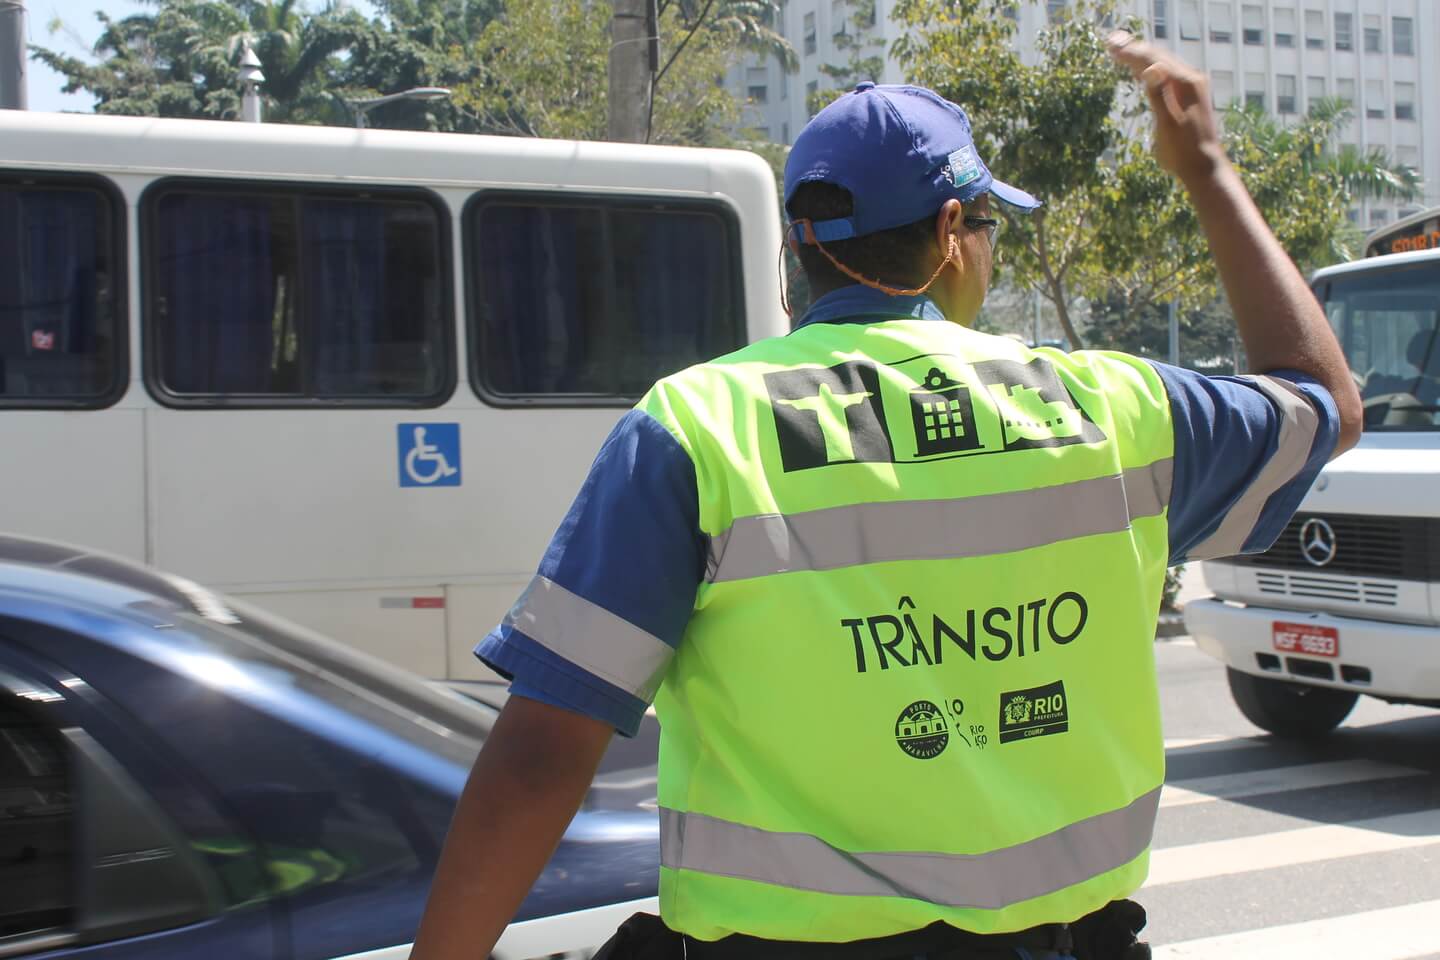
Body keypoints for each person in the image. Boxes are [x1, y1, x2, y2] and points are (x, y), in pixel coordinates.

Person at [411, 35, 1362, 960]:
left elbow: (544, 750)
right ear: (949, 233)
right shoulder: (1118, 409)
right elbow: (1321, 400)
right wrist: (1207, 171)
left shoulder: (696, 428)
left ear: (798, 246)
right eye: (987, 226)